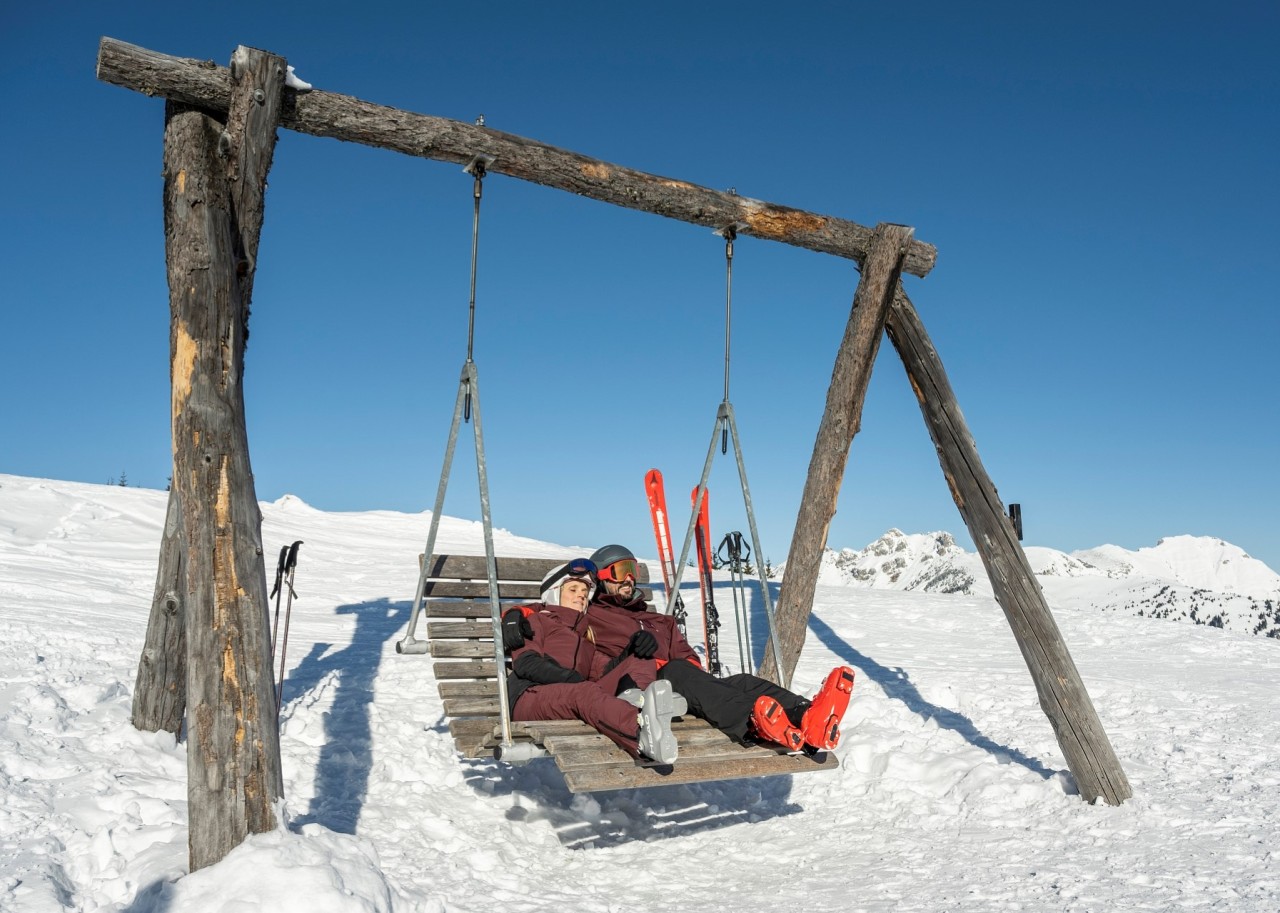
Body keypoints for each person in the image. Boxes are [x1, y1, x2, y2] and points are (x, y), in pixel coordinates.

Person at [585, 544, 855, 753]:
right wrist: (636, 660)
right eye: (621, 571)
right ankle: (754, 720)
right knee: (677, 670)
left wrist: (692, 675)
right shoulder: (592, 617)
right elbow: (589, 661)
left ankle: (808, 717)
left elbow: (687, 656)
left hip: (682, 687)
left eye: (633, 569)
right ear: (601, 578)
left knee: (744, 681)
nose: (630, 578)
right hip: (639, 691)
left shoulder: (659, 621)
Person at [499, 558, 685, 764]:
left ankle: (639, 702)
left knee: (641, 657)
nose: (581, 595)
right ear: (554, 592)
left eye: (584, 591)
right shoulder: (536, 621)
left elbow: (606, 670)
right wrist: (572, 680)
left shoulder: (585, 639)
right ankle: (642, 734)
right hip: (528, 697)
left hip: (570, 696)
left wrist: (632, 649)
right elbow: (527, 664)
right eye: (573, 589)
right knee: (584, 692)